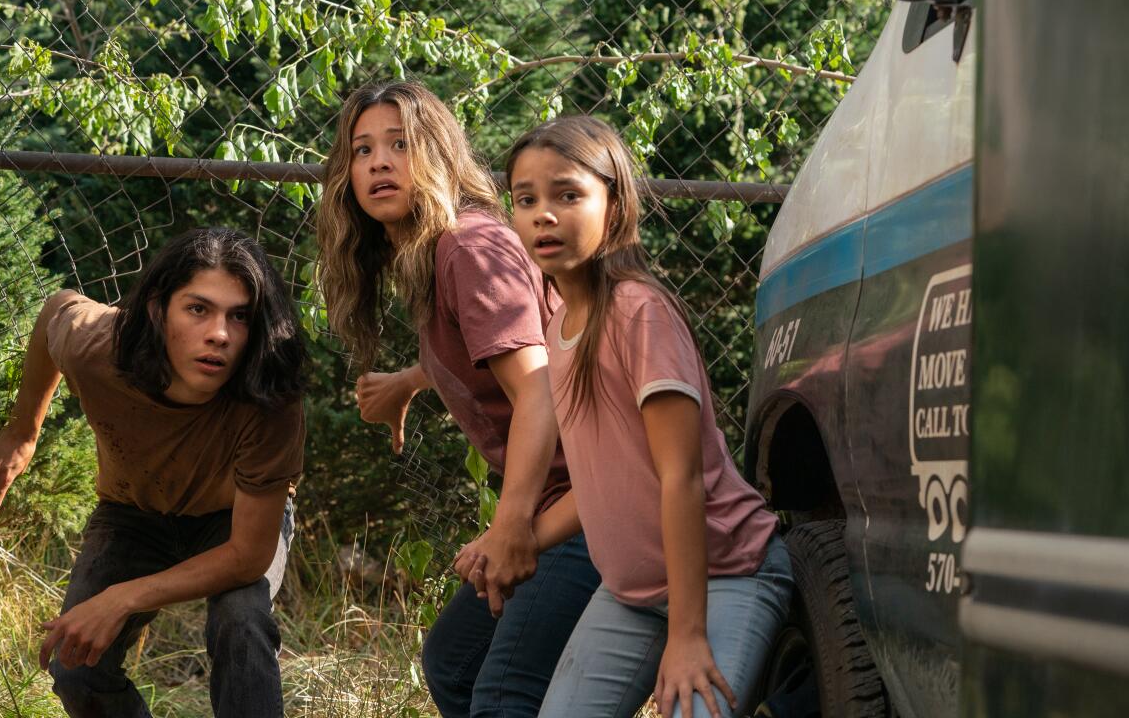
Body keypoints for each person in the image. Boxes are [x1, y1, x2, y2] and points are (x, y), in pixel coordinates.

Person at [315, 81, 599, 718]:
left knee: (499, 697)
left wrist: (510, 528)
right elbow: (490, 345)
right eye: (362, 151)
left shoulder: (467, 247)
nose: (379, 162)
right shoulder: (436, 253)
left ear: (439, 155)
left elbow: (539, 387)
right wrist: (408, 382)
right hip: (562, 499)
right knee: (452, 663)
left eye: (401, 144)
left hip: (594, 503)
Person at [0, 227, 307, 718]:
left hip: (232, 522)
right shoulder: (99, 347)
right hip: (132, 511)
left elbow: (247, 556)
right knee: (75, 667)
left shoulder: (271, 394)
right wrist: (22, 430)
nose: (220, 334)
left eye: (239, 316)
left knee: (241, 622)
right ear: (159, 309)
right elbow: (57, 307)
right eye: (198, 309)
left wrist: (123, 598)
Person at [506, 115, 793, 718]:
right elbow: (599, 485)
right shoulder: (560, 326)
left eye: (567, 194)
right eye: (525, 199)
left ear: (613, 207)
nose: (543, 215)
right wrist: (518, 541)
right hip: (633, 595)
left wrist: (688, 637)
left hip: (726, 576)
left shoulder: (639, 314)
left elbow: (679, 478)